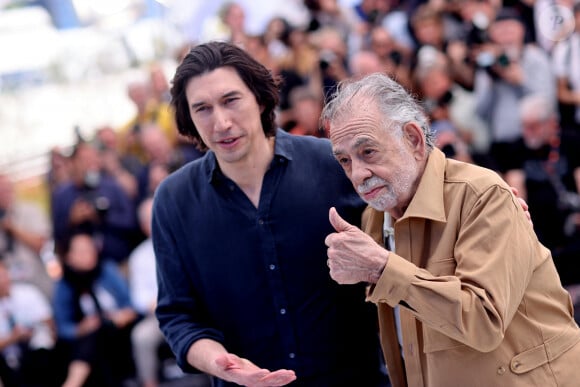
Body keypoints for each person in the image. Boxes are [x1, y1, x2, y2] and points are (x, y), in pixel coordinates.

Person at [152, 41, 387, 386]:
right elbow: (178, 316)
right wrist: (222, 364)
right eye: (202, 108)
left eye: (231, 100)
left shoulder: (334, 164)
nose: (220, 122)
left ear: (260, 98)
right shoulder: (173, 201)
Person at [321, 73, 580, 387]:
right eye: (345, 160)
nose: (358, 174)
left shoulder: (482, 195)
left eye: (368, 152)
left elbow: (483, 321)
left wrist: (383, 269)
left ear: (414, 140)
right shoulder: (373, 219)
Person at [503, 94, 580, 287]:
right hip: (539, 225)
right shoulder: (517, 149)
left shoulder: (571, 142)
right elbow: (516, 192)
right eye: (524, 126)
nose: (527, 131)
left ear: (552, 123)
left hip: (571, 222)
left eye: (533, 126)